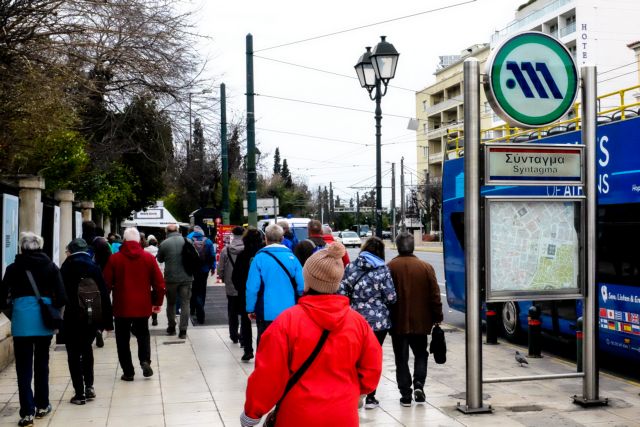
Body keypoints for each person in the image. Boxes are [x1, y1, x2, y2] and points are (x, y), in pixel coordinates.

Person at [240, 242, 382, 427]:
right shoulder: (358, 322)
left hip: (297, 414)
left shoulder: (286, 322)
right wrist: (352, 391)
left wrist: (252, 413)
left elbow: (268, 375)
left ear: (307, 279)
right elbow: (371, 369)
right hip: (343, 415)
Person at [0, 232, 67, 427]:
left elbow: (2, 298)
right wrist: (52, 308)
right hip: (44, 321)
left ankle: (27, 412)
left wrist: (15, 312)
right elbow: (62, 297)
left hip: (21, 322)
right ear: (40, 246)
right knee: (42, 364)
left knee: (23, 367)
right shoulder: (51, 267)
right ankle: (42, 405)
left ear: (21, 247)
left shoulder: (13, 268)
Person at [338, 236, 396, 409]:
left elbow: (342, 292)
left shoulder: (350, 267)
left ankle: (353, 393)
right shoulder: (383, 270)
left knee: (355, 357)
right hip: (378, 322)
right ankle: (370, 396)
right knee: (373, 358)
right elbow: (391, 297)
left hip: (354, 320)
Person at [387, 232, 443, 407]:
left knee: (401, 358)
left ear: (397, 246)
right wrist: (437, 317)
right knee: (421, 354)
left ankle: (405, 395)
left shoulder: (390, 267)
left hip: (397, 322)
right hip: (421, 321)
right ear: (413, 247)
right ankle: (419, 383)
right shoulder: (426, 267)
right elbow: (435, 295)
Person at [103, 227, 165, 381]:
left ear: (124, 240)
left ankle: (128, 371)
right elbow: (159, 284)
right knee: (143, 334)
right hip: (143, 305)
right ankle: (145, 360)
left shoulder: (114, 259)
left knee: (122, 339)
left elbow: (106, 285)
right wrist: (157, 302)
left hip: (121, 306)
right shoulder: (148, 258)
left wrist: (106, 306)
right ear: (139, 240)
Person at [60, 238, 113, 405]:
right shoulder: (94, 266)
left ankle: (79, 393)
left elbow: (60, 294)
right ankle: (89, 386)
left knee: (73, 354)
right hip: (91, 316)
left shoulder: (66, 267)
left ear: (70, 251)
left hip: (72, 317)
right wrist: (108, 322)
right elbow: (104, 293)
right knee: (87, 350)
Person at [245, 224, 304, 346]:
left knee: (265, 344)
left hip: (266, 311)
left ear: (265, 238)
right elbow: (301, 285)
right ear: (282, 238)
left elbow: (252, 287)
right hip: (289, 311)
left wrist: (250, 308)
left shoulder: (259, 258)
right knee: (287, 344)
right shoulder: (292, 258)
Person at [231, 228, 264, 362]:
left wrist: (240, 289)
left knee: (245, 321)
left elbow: (235, 276)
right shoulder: (263, 255)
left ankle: (248, 350)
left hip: (244, 292)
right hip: (262, 293)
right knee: (262, 322)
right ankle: (262, 349)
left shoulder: (242, 255)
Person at [157, 223, 193, 338]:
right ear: (178, 230)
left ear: (166, 232)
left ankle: (172, 327)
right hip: (187, 277)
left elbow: (160, 259)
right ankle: (183, 330)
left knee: (171, 303)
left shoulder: (164, 243)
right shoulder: (188, 241)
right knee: (185, 303)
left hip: (171, 278)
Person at [218, 226, 244, 344]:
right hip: (244, 285)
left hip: (231, 284)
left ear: (233, 235)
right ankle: (243, 335)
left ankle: (233, 335)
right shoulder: (247, 249)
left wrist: (224, 279)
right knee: (245, 311)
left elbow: (220, 269)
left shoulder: (226, 250)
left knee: (232, 311)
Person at [186, 225, 216, 324]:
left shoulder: (188, 240)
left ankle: (192, 309)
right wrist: (213, 268)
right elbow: (212, 255)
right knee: (202, 290)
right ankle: (200, 310)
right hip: (204, 270)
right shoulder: (208, 241)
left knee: (193, 289)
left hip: (192, 270)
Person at [144, 235, 162, 326]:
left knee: (146, 300)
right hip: (156, 280)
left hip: (145, 280)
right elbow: (162, 267)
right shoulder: (159, 252)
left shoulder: (144, 251)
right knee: (155, 300)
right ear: (156, 244)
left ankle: (145, 317)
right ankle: (154, 319)